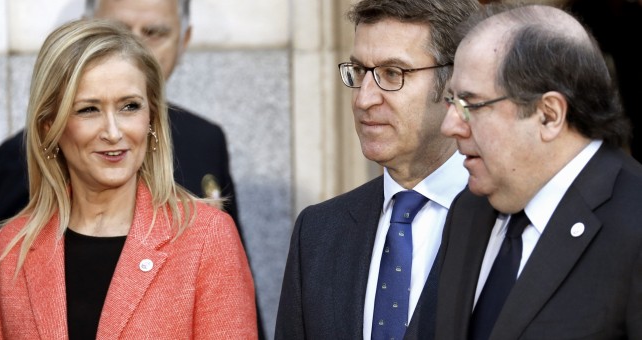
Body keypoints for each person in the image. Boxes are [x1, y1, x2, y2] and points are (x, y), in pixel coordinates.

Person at [0, 19, 257, 338]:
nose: (113, 132)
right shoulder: (11, 249)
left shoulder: (207, 238)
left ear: (151, 117)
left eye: (129, 106)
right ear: (49, 127)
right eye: (88, 110)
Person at [437, 3, 642, 339]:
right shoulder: (468, 211)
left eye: (470, 105)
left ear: (548, 115)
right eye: (451, 102)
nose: (450, 126)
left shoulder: (634, 228)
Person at [275, 0, 479, 338]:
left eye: (392, 74)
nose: (363, 99)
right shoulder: (318, 231)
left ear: (454, 83)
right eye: (358, 72)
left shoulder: (507, 222)